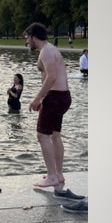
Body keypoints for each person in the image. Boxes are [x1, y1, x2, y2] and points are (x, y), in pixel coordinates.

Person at [23, 22, 72, 189]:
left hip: (55, 96)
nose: (26, 41)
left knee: (42, 136)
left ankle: (51, 176)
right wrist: (43, 99)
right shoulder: (50, 50)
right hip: (61, 96)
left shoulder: (46, 52)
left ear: (34, 36)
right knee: (55, 135)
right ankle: (58, 174)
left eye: (27, 38)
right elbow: (49, 78)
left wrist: (37, 98)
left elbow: (51, 77)